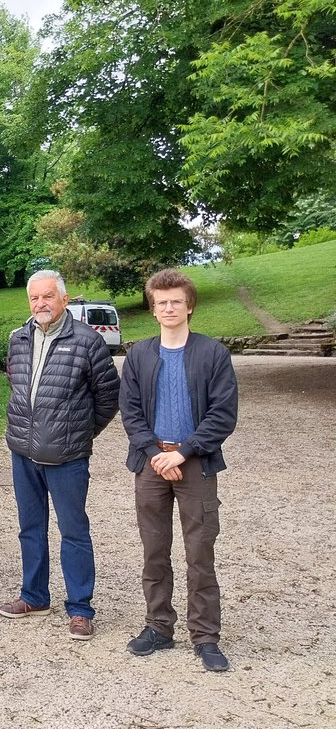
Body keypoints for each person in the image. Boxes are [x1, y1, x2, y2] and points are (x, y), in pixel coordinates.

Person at [120, 269, 238, 672]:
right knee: (154, 550)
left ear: (189, 306)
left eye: (176, 301)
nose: (168, 308)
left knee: (200, 551)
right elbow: (130, 411)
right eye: (161, 302)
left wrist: (183, 452)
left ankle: (205, 636)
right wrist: (155, 452)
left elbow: (223, 414)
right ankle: (158, 626)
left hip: (196, 463)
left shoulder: (212, 353)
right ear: (153, 309)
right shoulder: (139, 355)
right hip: (151, 463)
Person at [0, 269, 120, 640]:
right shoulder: (18, 338)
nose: (41, 304)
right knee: (30, 528)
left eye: (48, 296)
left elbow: (108, 397)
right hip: (23, 452)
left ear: (64, 299)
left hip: (67, 456)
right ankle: (34, 596)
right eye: (34, 298)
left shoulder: (87, 341)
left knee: (73, 531)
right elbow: (15, 385)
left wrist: (78, 432)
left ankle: (80, 609)